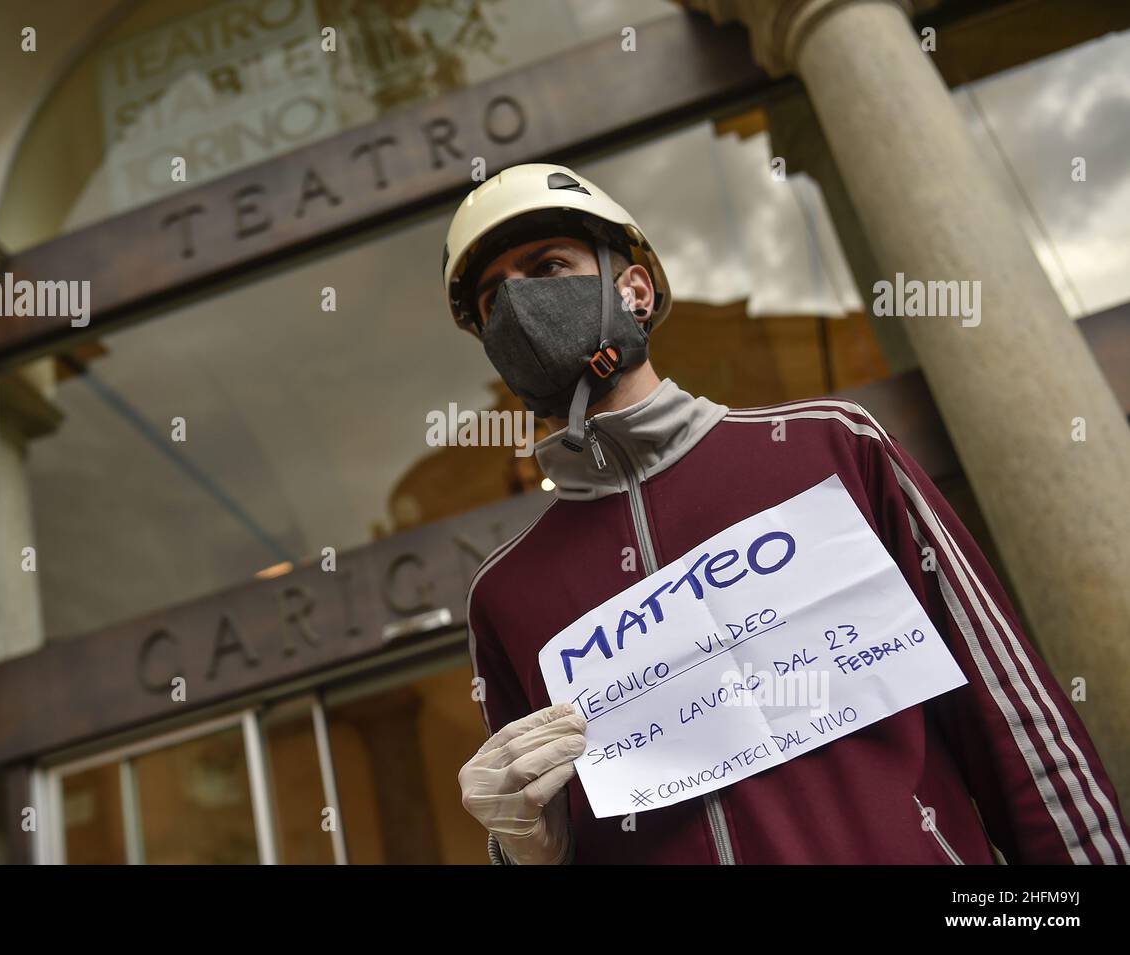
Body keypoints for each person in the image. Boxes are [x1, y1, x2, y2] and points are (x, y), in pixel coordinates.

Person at [447, 162, 1128, 865]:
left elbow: (1009, 716)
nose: (519, 307)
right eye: (494, 300)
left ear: (635, 289)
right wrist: (522, 851)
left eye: (546, 265)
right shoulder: (504, 597)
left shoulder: (830, 445)